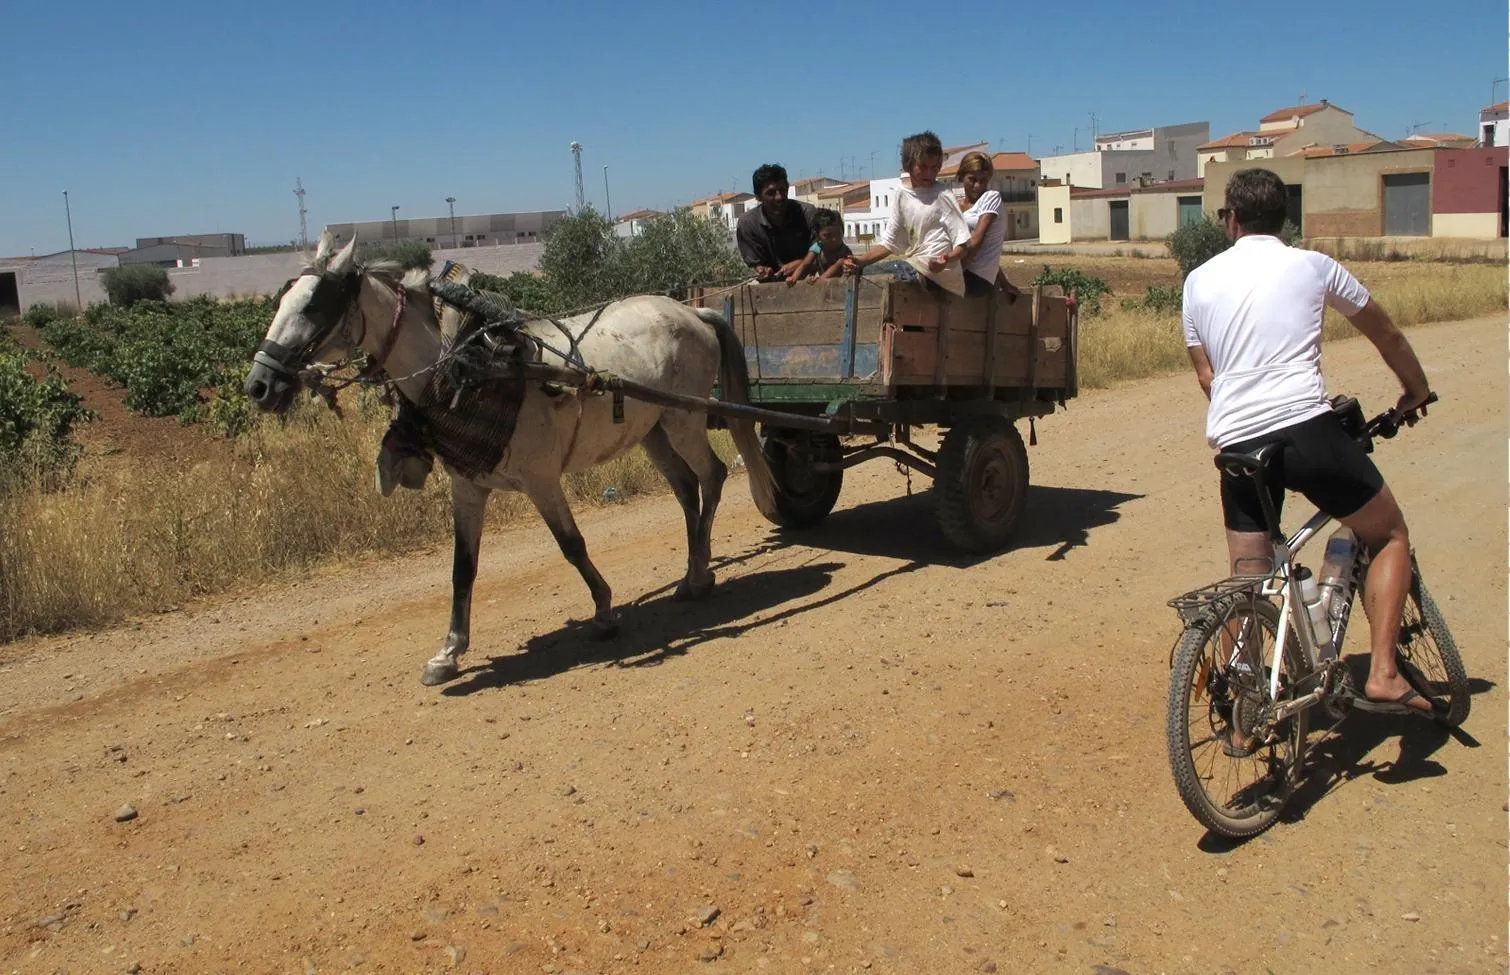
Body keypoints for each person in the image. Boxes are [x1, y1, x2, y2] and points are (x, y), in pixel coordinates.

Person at [1182, 167, 1436, 723]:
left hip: (1235, 443)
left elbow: (1207, 376)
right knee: (1389, 532)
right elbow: (1385, 333)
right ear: (1284, 219)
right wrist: (1414, 390)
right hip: (1303, 429)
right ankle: (1386, 673)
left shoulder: (1196, 281)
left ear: (1232, 220)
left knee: (1249, 580)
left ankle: (1244, 716)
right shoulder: (1313, 265)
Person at [843, 131, 972, 295]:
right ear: (907, 166)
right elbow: (890, 242)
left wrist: (945, 260)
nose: (929, 173)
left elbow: (963, 245)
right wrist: (861, 261)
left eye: (934, 167)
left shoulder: (943, 196)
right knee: (859, 272)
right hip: (914, 266)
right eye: (923, 167)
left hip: (937, 276)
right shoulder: (902, 194)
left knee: (872, 275)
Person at [955, 151, 1023, 298]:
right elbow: (988, 251)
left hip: (975, 279)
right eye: (972, 179)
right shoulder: (955, 205)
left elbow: (977, 242)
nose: (978, 185)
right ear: (961, 177)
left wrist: (955, 275)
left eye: (983, 180)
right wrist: (1004, 283)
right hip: (963, 271)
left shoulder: (991, 198)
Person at [736, 164, 818, 282]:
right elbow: (755, 264)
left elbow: (826, 252)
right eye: (771, 193)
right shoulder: (748, 224)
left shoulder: (808, 214)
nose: (779, 197)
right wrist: (762, 270)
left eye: (782, 190)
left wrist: (803, 264)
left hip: (809, 281)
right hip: (770, 288)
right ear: (758, 196)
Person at [784, 208, 853, 283]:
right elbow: (805, 264)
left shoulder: (845, 252)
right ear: (817, 235)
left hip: (841, 284)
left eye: (838, 234)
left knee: (841, 262)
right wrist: (793, 278)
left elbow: (837, 266)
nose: (834, 239)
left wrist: (818, 281)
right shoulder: (818, 247)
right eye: (827, 235)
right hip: (825, 285)